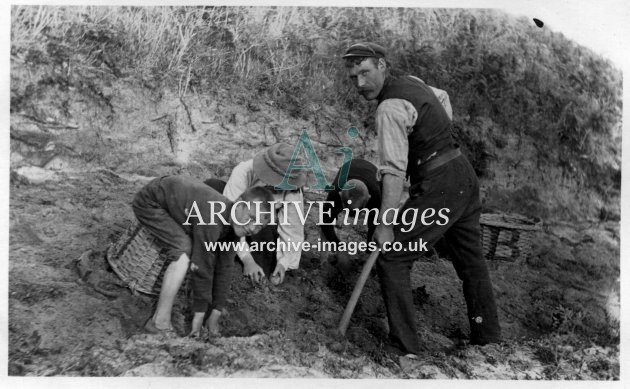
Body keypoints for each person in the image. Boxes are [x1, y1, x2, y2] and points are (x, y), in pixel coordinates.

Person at [342, 42, 501, 355]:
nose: (360, 83)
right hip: (462, 174)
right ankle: (489, 339)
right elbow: (441, 97)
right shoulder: (413, 82)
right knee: (471, 261)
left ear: (382, 65)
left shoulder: (389, 109)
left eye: (365, 72)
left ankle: (406, 348)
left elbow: (393, 172)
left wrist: (385, 224)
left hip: (440, 183)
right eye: (353, 77)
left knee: (392, 256)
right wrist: (438, 140)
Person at [131, 175, 274, 337]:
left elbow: (225, 268)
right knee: (185, 249)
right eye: (251, 218)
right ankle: (159, 321)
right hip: (151, 202)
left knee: (204, 250)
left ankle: (173, 318)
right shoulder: (213, 217)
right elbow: (201, 268)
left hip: (178, 201)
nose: (252, 228)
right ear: (239, 204)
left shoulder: (235, 225)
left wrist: (215, 313)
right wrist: (198, 320)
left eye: (260, 226)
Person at [214, 143, 307, 286]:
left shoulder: (293, 189)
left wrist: (283, 263)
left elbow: (293, 229)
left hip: (263, 220)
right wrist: (247, 259)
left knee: (266, 267)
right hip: (240, 214)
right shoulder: (244, 172)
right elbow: (233, 216)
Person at [320, 158, 381, 273]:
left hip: (371, 173)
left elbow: (375, 227)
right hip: (347, 169)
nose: (351, 215)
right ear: (340, 195)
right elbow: (325, 221)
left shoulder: (376, 195)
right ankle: (322, 261)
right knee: (328, 214)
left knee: (375, 223)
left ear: (368, 199)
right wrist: (339, 247)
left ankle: (369, 256)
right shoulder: (336, 191)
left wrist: (369, 252)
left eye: (357, 211)